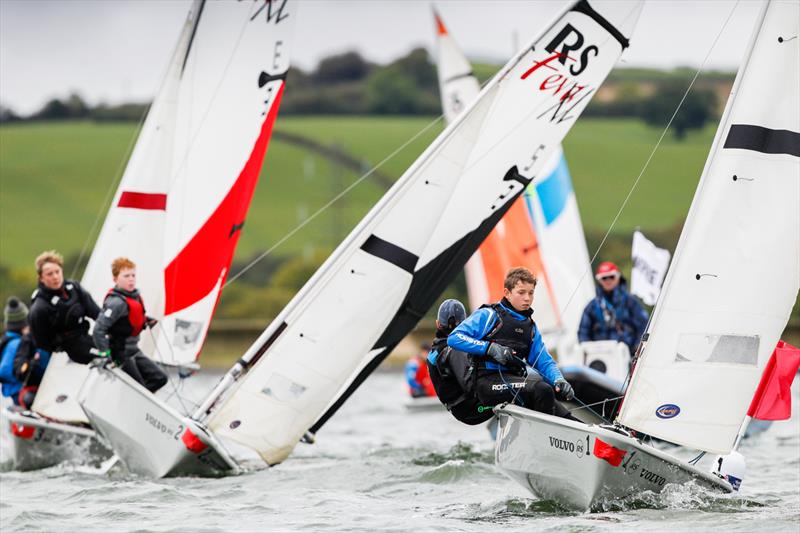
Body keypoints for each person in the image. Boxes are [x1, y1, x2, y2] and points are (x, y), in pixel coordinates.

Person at [447, 267, 575, 418]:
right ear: (507, 293)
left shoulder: (530, 327)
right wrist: (490, 348)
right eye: (521, 292)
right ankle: (543, 437)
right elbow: (454, 338)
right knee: (542, 389)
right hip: (487, 383)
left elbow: (544, 362)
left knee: (566, 415)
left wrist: (559, 379)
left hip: (516, 382)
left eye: (531, 293)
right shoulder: (489, 315)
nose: (527, 298)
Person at [93, 257, 167, 393]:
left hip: (133, 350)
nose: (131, 279)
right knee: (140, 390)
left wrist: (145, 320)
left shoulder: (135, 297)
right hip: (121, 353)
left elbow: (129, 320)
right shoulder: (116, 303)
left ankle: (136, 404)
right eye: (126, 276)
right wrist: (105, 354)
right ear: (115, 279)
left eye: (133, 275)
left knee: (160, 378)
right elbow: (98, 330)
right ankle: (134, 403)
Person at [426, 298, 495, 425]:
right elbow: (471, 386)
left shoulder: (435, 350)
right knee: (521, 393)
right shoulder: (455, 349)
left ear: (437, 324)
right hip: (472, 409)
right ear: (466, 323)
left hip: (460, 409)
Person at [29, 250, 101, 364]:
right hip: (71, 351)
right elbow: (41, 341)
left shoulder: (74, 288)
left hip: (87, 337)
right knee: (106, 356)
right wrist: (61, 344)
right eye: (49, 274)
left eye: (57, 271)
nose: (55, 277)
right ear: (41, 278)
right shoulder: (39, 308)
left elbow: (96, 312)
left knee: (121, 352)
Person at [578, 261, 650, 356]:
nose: (608, 280)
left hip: (629, 356)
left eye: (611, 276)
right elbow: (583, 333)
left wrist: (637, 350)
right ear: (599, 280)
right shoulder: (592, 306)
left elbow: (644, 327)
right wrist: (591, 354)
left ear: (618, 277)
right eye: (604, 278)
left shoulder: (631, 302)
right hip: (601, 360)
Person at [0, 297, 50, 408]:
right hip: (22, 394)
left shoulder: (6, 340)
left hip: (13, 394)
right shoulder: (18, 344)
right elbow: (5, 371)